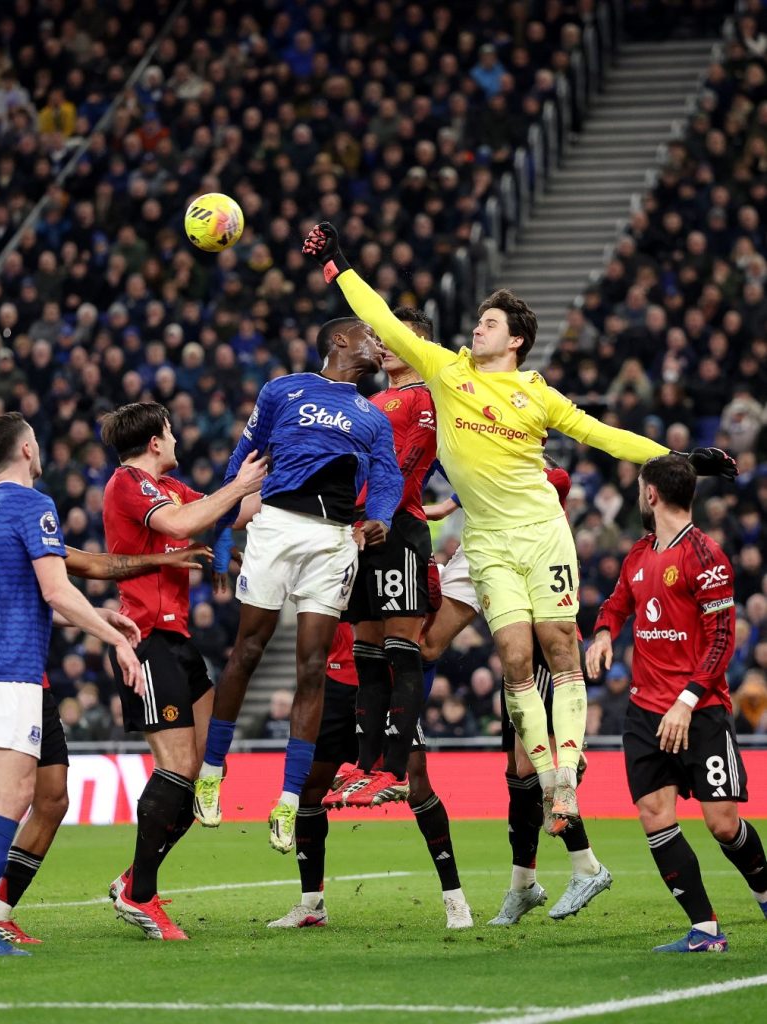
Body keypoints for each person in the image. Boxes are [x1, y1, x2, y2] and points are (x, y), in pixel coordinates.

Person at [303, 221, 737, 836]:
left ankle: (568, 777)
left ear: (515, 341)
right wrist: (338, 264)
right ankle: (552, 781)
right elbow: (382, 319)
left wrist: (683, 459)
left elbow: (605, 437)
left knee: (559, 644)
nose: (476, 329)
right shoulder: (446, 371)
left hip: (541, 531)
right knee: (513, 659)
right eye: (478, 321)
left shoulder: (539, 394)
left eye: (488, 324)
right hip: (487, 541)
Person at [0, 421, 210, 944]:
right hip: (13, 671)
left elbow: (26, 596)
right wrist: (114, 639)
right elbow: (55, 591)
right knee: (10, 799)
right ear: (28, 447)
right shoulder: (34, 505)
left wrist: (100, 616)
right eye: (37, 439)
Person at [195, 318, 403, 855]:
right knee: (248, 649)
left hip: (334, 541)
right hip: (276, 527)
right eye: (369, 335)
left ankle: (287, 800)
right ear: (339, 340)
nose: (379, 344)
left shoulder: (373, 416)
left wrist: (380, 517)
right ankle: (212, 770)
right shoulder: (283, 390)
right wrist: (223, 532)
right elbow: (243, 458)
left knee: (313, 667)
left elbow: (388, 478)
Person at [100, 401, 267, 941]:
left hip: (179, 643)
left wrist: (291, 480)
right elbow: (180, 523)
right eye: (169, 432)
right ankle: (140, 895)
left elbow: (230, 513)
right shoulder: (128, 484)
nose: (175, 440)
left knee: (202, 776)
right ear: (154, 441)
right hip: (145, 639)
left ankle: (135, 879)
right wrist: (237, 485)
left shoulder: (169, 489)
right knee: (175, 770)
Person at [587, 454, 767, 953]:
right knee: (654, 813)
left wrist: (686, 701)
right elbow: (616, 604)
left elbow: (722, 640)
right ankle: (705, 930)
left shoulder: (706, 557)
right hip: (646, 712)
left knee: (722, 823)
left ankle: (764, 891)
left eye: (639, 490)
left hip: (700, 710)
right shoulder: (638, 554)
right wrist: (603, 633)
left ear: (650, 495)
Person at [421, 461, 611, 924]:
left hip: (547, 653)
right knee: (517, 774)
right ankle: (524, 885)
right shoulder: (487, 508)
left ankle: (586, 865)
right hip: (518, 659)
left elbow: (550, 479)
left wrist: (458, 496)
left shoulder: (544, 477)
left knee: (529, 767)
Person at [268, 620, 473, 930]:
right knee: (312, 788)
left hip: (386, 682)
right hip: (335, 683)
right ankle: (311, 905)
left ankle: (455, 900)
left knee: (417, 784)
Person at [324, 307, 439, 809]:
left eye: (400, 337)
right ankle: (365, 763)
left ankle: (395, 770)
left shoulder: (424, 397)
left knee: (401, 649)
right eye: (384, 336)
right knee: (366, 652)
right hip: (359, 530)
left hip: (396, 529)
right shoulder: (372, 400)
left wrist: (379, 511)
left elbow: (410, 461)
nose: (387, 344)